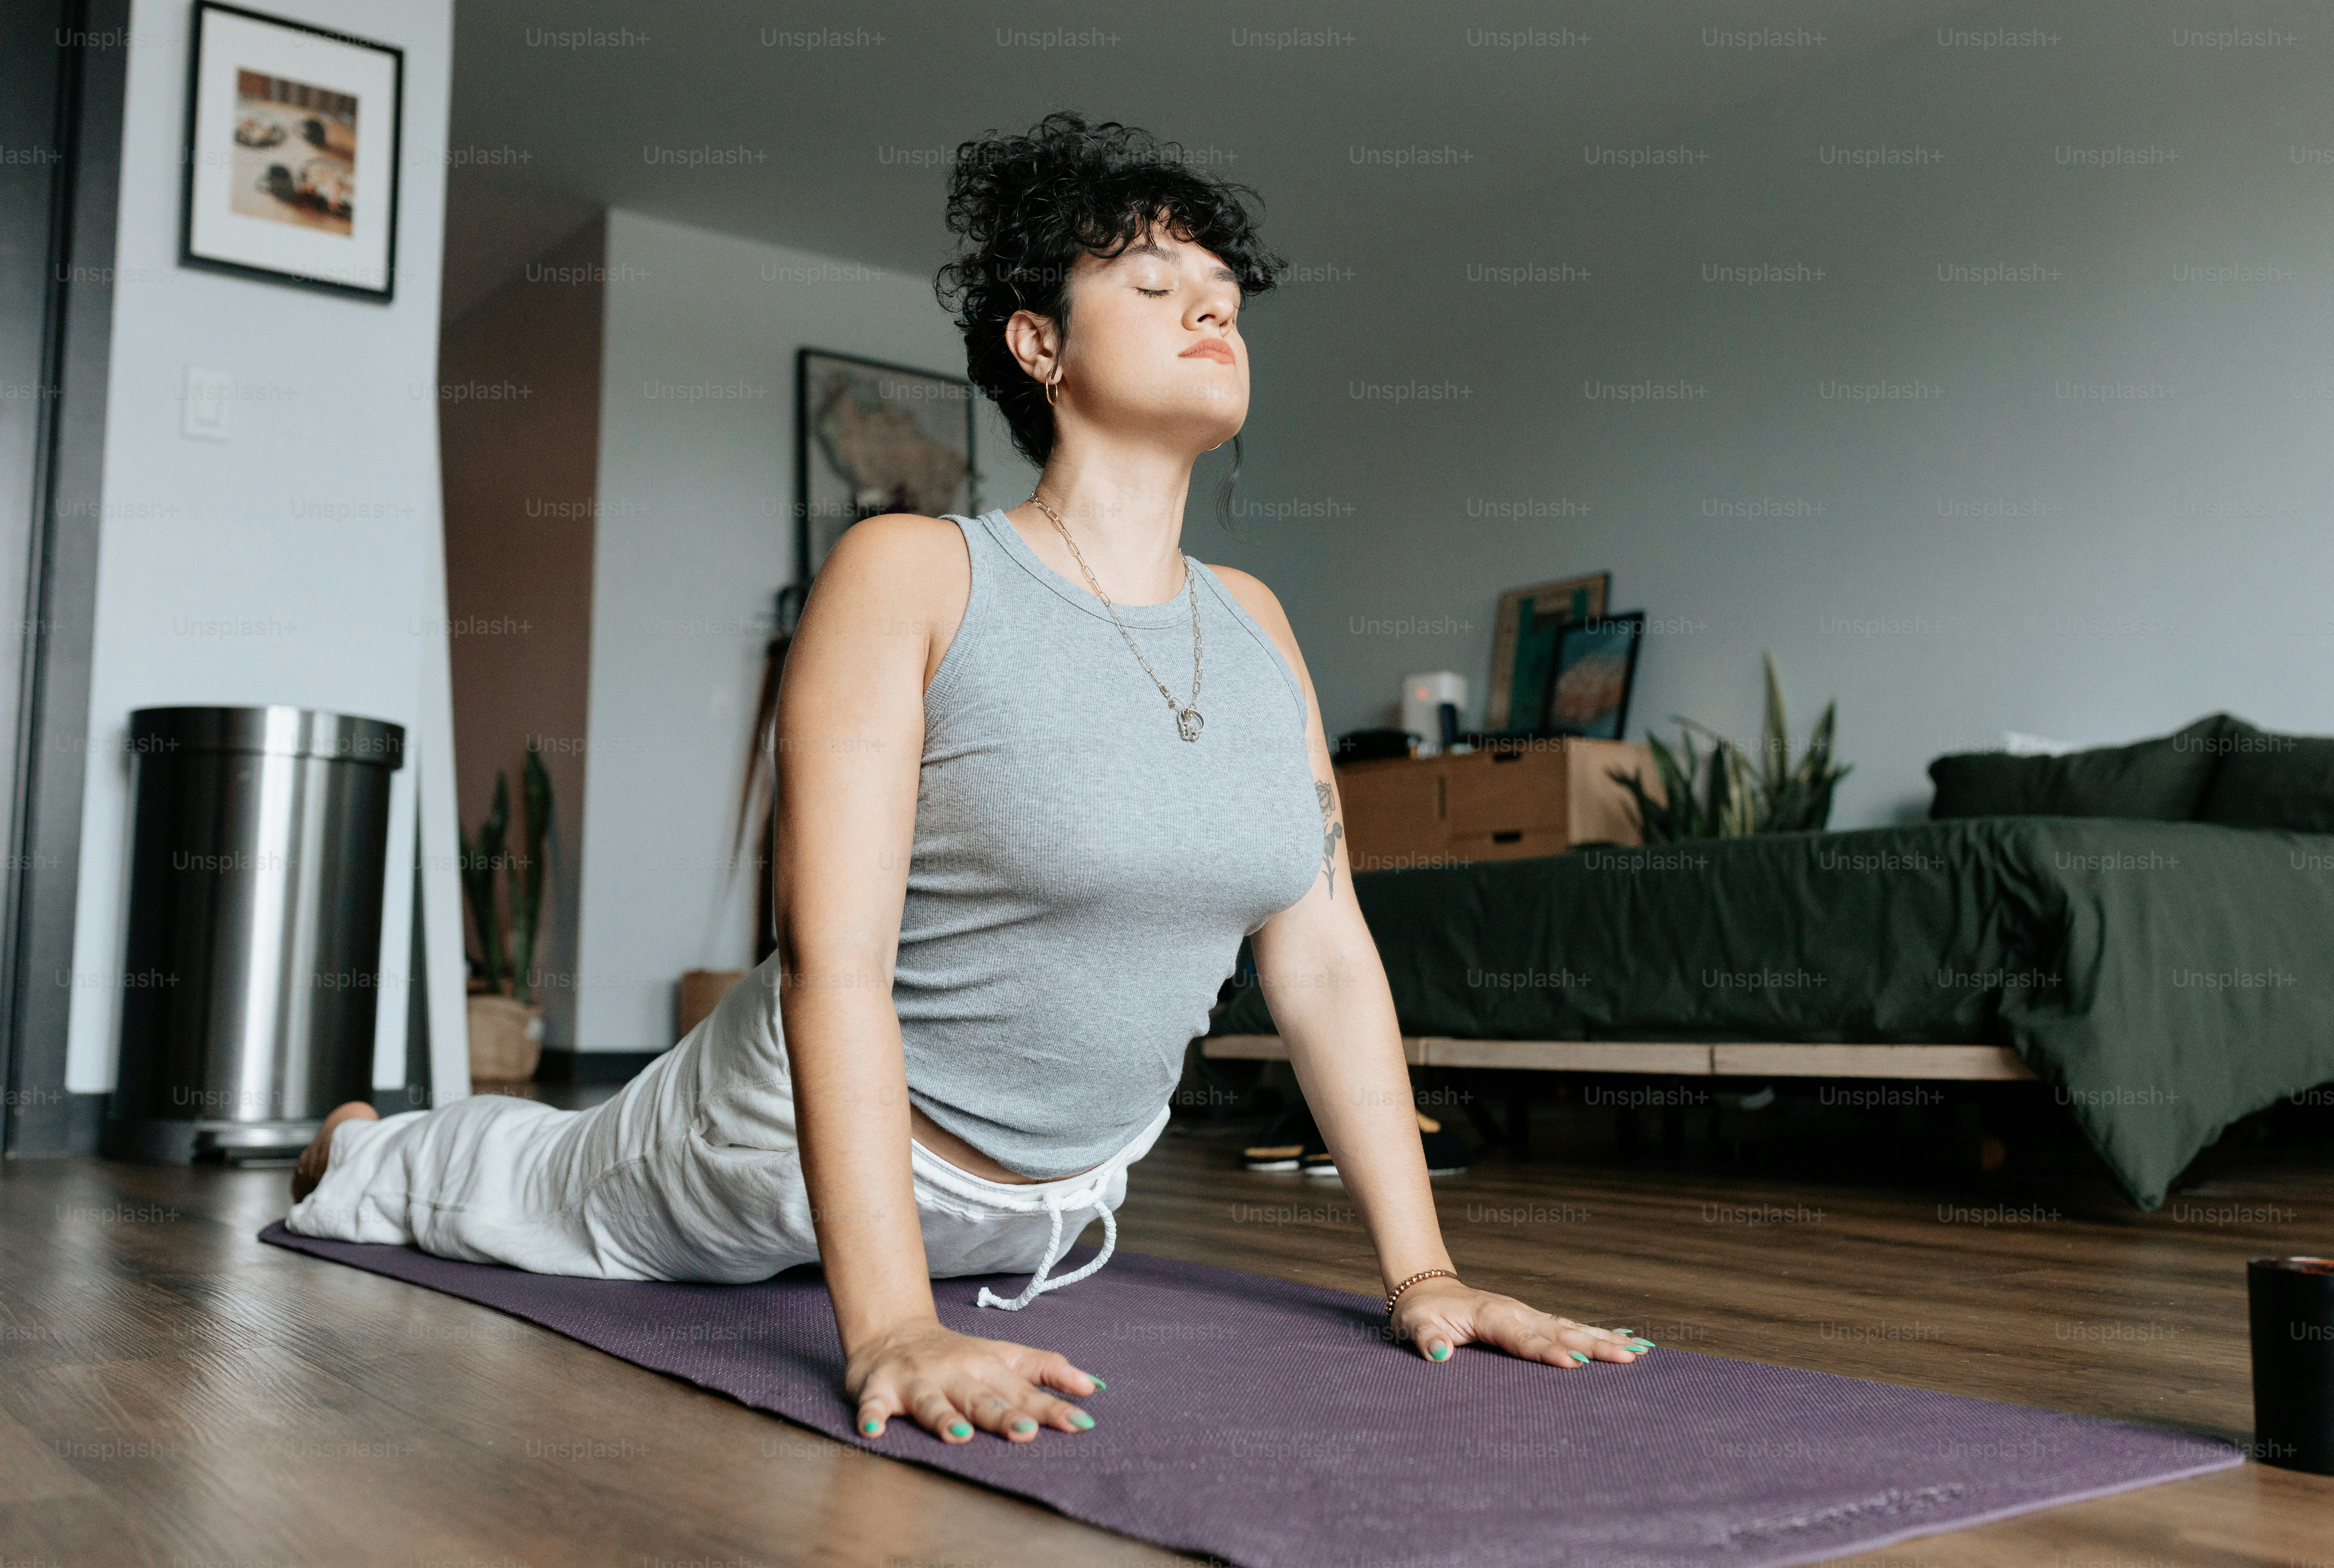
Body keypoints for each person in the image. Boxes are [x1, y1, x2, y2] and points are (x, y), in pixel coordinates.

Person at [285, 111, 1650, 1448]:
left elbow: (1328, 960)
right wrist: (885, 1327)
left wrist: (1425, 1273)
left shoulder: (1257, 620)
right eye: (1156, 283)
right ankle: (358, 1145)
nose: (1211, 313)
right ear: (1037, 341)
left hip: (1060, 1201)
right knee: (545, 1184)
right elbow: (835, 960)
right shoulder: (917, 573)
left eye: (1227, 295)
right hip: (771, 1148)